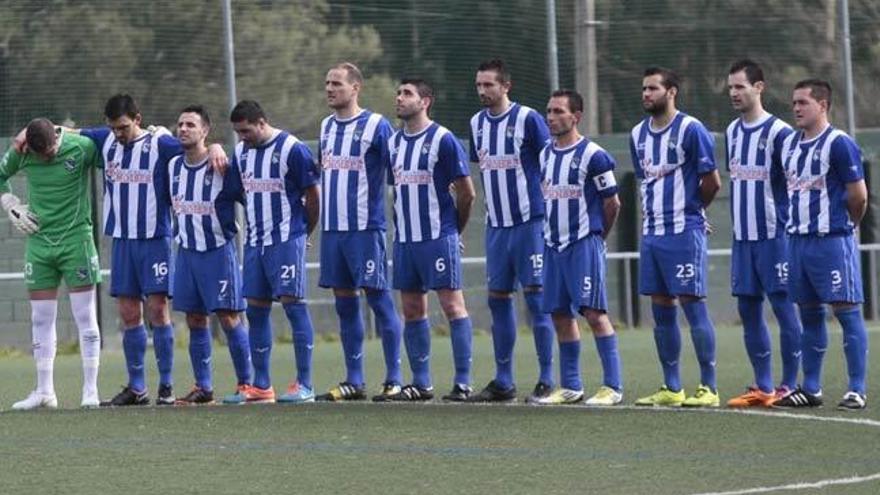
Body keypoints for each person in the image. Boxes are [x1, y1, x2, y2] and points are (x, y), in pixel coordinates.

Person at [13, 94, 228, 406]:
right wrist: (24, 132)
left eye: (124, 127)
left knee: (157, 310)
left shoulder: (159, 144)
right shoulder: (106, 141)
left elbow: (194, 147)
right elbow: (64, 132)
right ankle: (137, 388)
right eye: (113, 128)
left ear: (137, 119)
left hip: (154, 238)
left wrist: (218, 146)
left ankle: (166, 387)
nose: (118, 134)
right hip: (123, 240)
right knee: (129, 313)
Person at [772, 79, 869, 411]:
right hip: (797, 243)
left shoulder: (839, 144)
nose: (797, 108)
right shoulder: (787, 145)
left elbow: (859, 195)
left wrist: (848, 225)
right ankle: (810, 387)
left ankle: (856, 388)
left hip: (832, 241)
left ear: (823, 105)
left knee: (846, 312)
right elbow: (783, 189)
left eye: (803, 102)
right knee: (809, 315)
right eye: (794, 103)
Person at [630, 67, 723, 408]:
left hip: (683, 231)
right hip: (652, 233)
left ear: (671, 92)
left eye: (652, 88)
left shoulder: (691, 129)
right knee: (661, 308)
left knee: (692, 305)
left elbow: (712, 181)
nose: (645, 94)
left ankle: (708, 387)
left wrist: (694, 211)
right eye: (643, 89)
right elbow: (646, 182)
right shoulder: (638, 134)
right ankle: (671, 387)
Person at [379, 78, 477, 402]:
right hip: (406, 240)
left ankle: (463, 382)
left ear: (425, 101)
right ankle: (421, 383)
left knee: (451, 305)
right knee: (411, 309)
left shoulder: (443, 140)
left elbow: (467, 193)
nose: (399, 98)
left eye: (407, 93)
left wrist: (453, 232)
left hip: (437, 237)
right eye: (399, 93)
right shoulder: (392, 144)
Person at [466, 59, 555, 404]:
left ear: (506, 86)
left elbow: (550, 163)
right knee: (498, 300)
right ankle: (503, 381)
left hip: (530, 223)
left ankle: (547, 378)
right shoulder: (476, 124)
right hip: (497, 227)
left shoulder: (528, 119)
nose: (482, 91)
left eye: (489, 85)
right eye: (478, 85)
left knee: (536, 299)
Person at [315, 63, 404, 402]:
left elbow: (397, 170)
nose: (329, 88)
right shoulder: (325, 126)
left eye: (336, 83)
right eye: (327, 82)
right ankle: (354, 380)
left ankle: (393, 378)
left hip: (365, 229)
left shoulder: (376, 126)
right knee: (344, 304)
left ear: (356, 88)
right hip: (333, 231)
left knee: (379, 301)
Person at [1, 118, 102, 409]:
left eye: (53, 149)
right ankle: (45, 391)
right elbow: (0, 175)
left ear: (58, 137)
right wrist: (10, 203)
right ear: (30, 148)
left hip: (76, 241)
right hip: (39, 243)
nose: (49, 155)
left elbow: (114, 151)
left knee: (86, 317)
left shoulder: (81, 147)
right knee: (40, 318)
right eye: (42, 153)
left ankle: (90, 391)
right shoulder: (21, 153)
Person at [225, 100, 321, 404]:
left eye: (246, 130)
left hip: (286, 239)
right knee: (255, 309)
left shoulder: (293, 149)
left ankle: (304, 383)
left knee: (293, 306)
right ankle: (262, 385)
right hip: (255, 242)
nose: (242, 137)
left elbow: (313, 194)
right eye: (238, 132)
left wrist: (304, 232)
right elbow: (239, 192)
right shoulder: (240, 153)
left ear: (262, 122)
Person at [534, 90, 623, 406]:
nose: (551, 117)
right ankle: (571, 385)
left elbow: (612, 202)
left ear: (576, 116)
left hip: (583, 244)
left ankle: (612, 386)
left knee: (594, 313)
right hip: (552, 245)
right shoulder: (545, 154)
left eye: (558, 111)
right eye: (549, 111)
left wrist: (598, 237)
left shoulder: (594, 156)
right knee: (559, 314)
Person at [723, 60, 802, 408]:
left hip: (775, 237)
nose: (734, 93)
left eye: (740, 86)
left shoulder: (781, 133)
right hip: (743, 239)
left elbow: (795, 184)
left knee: (784, 308)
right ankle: (763, 385)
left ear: (759, 87)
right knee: (749, 309)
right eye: (730, 88)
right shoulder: (731, 132)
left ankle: (790, 384)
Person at [167, 106, 252, 405]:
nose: (183, 129)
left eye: (191, 124)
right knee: (194, 319)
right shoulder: (172, 166)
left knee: (229, 317)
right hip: (187, 252)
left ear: (205, 131)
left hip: (217, 251)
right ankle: (203, 387)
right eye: (180, 124)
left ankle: (247, 384)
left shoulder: (222, 165)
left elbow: (247, 196)